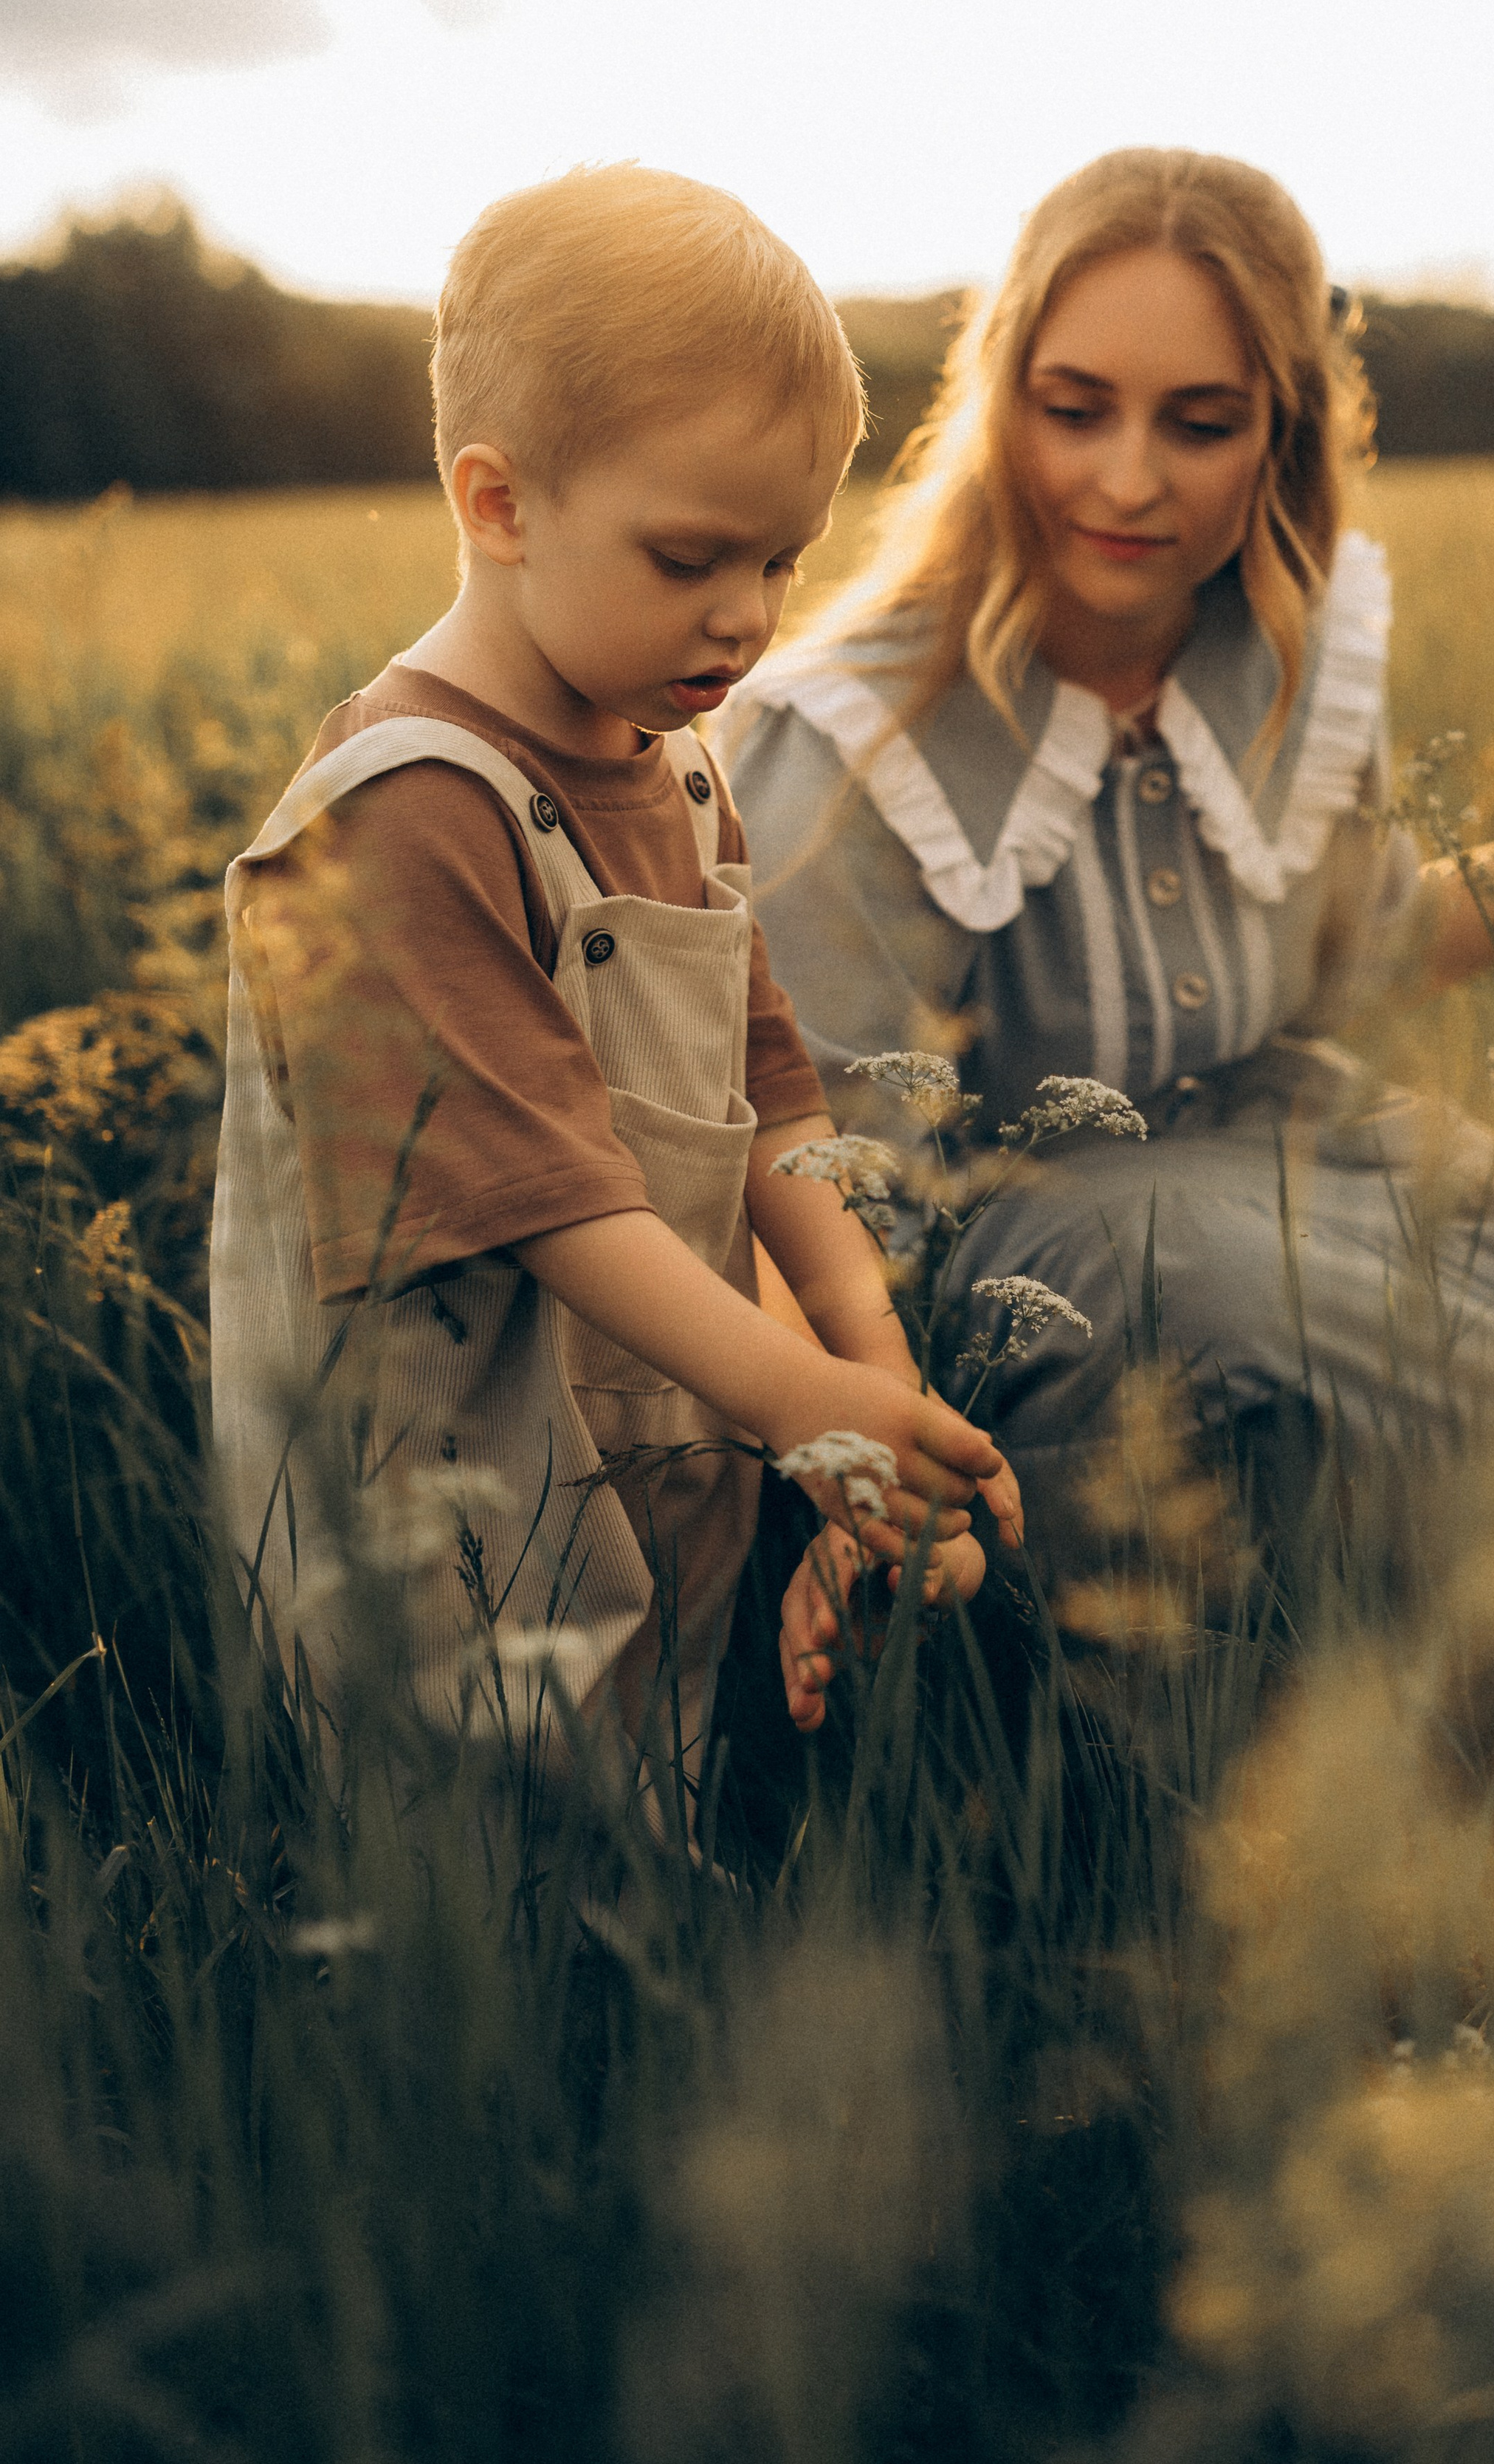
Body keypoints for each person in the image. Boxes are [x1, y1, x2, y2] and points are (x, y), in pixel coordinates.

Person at [723, 146, 1494, 1601]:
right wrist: (858, 1492)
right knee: (1201, 1285)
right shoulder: (850, 738)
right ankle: (1082, 1710)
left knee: (1489, 1318)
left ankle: (1446, 1646)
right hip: (993, 1318)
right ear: (999, 401)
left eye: (1198, 423)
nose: (1124, 479)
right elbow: (815, 1188)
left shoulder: (1273, 671)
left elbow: (1373, 947)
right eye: (1073, 410)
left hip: (1291, 1193)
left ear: (1280, 433)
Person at [210, 162, 1018, 1798]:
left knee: (659, 1779)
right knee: (484, 1835)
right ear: (498, 504)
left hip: (658, 1421)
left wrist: (869, 1363)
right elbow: (540, 1193)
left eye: (782, 560)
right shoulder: (409, 802)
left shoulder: (676, 762)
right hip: (443, 1475)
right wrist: (803, 1399)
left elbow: (772, 1092)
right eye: (687, 557)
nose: (746, 618)